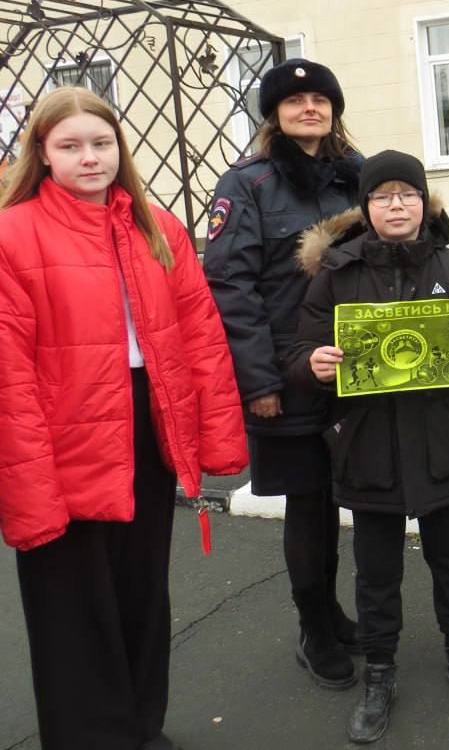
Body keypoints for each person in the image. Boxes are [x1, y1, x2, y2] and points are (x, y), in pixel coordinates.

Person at [0, 86, 247, 750]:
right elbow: (8, 372)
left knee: (142, 594)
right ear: (42, 155)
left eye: (101, 143)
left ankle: (141, 728)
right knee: (74, 610)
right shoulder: (12, 233)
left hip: (145, 427)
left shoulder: (155, 227)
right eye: (70, 146)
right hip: (59, 439)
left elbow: (199, 332)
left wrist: (215, 438)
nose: (89, 158)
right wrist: (27, 485)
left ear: (120, 148)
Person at [286, 149, 449, 744]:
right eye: (383, 195)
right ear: (366, 207)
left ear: (423, 203)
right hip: (369, 453)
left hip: (446, 447)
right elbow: (298, 354)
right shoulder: (336, 276)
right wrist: (313, 364)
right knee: (376, 573)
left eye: (407, 194)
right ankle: (380, 674)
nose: (397, 204)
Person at [204, 58, 364, 689]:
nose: (309, 108)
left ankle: (333, 609)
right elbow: (230, 287)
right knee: (307, 503)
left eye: (320, 98)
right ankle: (313, 629)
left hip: (355, 371)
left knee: (338, 498)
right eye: (294, 99)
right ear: (273, 112)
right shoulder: (247, 184)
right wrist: (261, 382)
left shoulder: (357, 175)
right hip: (287, 375)